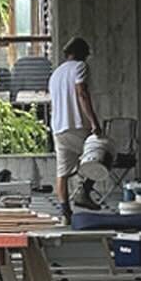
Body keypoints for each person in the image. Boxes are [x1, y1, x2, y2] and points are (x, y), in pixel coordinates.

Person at [50, 36, 102, 221]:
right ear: (81, 54)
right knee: (102, 157)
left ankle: (65, 213)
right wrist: (94, 122)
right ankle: (84, 192)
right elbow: (82, 93)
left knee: (62, 172)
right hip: (78, 125)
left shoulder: (55, 73)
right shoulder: (80, 67)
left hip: (59, 128)